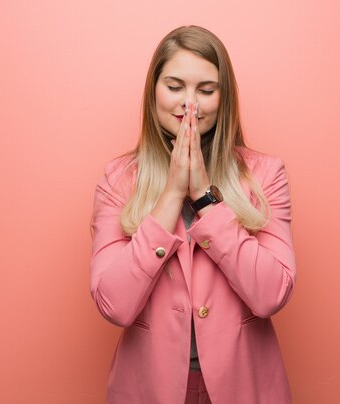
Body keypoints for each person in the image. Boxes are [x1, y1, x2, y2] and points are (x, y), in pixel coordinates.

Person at [89, 25, 296, 404]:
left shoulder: (266, 174)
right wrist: (171, 195)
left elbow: (270, 296)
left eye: (206, 90)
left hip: (245, 386)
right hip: (149, 388)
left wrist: (203, 196)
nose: (190, 104)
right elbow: (114, 305)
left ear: (224, 97)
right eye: (174, 86)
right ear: (154, 92)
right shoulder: (117, 180)